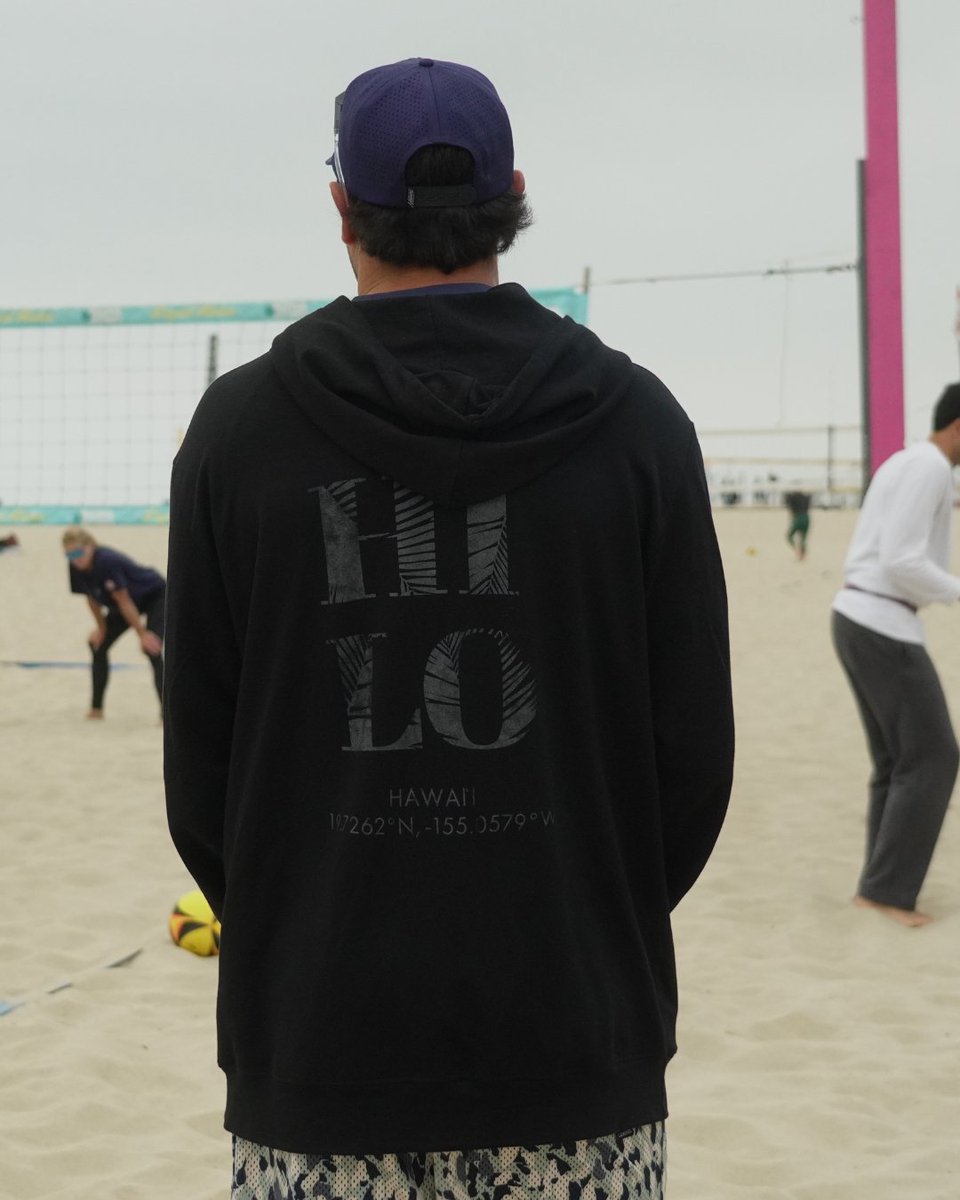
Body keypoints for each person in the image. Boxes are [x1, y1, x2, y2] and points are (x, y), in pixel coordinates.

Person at [164, 57, 734, 1200]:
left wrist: (301, 898)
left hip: (323, 1047)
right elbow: (693, 766)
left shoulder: (239, 434)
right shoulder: (640, 427)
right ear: (514, 194)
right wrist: (576, 897)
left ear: (341, 207)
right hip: (574, 1037)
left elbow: (203, 777)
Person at [831, 382, 960, 928]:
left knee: (899, 762)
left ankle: (877, 887)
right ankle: (884, 893)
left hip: (861, 617)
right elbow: (902, 559)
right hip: (881, 620)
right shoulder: (930, 467)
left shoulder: (907, 461)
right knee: (934, 758)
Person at [62, 526, 165, 719]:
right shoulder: (75, 566)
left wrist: (142, 635)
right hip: (124, 603)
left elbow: (124, 600)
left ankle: (166, 714)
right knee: (97, 645)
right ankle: (96, 709)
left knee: (152, 648)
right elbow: (91, 598)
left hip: (155, 596)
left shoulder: (106, 561)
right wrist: (101, 628)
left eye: (78, 552)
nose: (75, 558)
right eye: (69, 555)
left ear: (91, 546)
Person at [784, 490, 811, 559]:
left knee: (789, 536)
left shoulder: (792, 501)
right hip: (806, 518)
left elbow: (791, 511)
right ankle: (802, 555)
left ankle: (797, 550)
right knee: (803, 538)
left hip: (798, 518)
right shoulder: (805, 499)